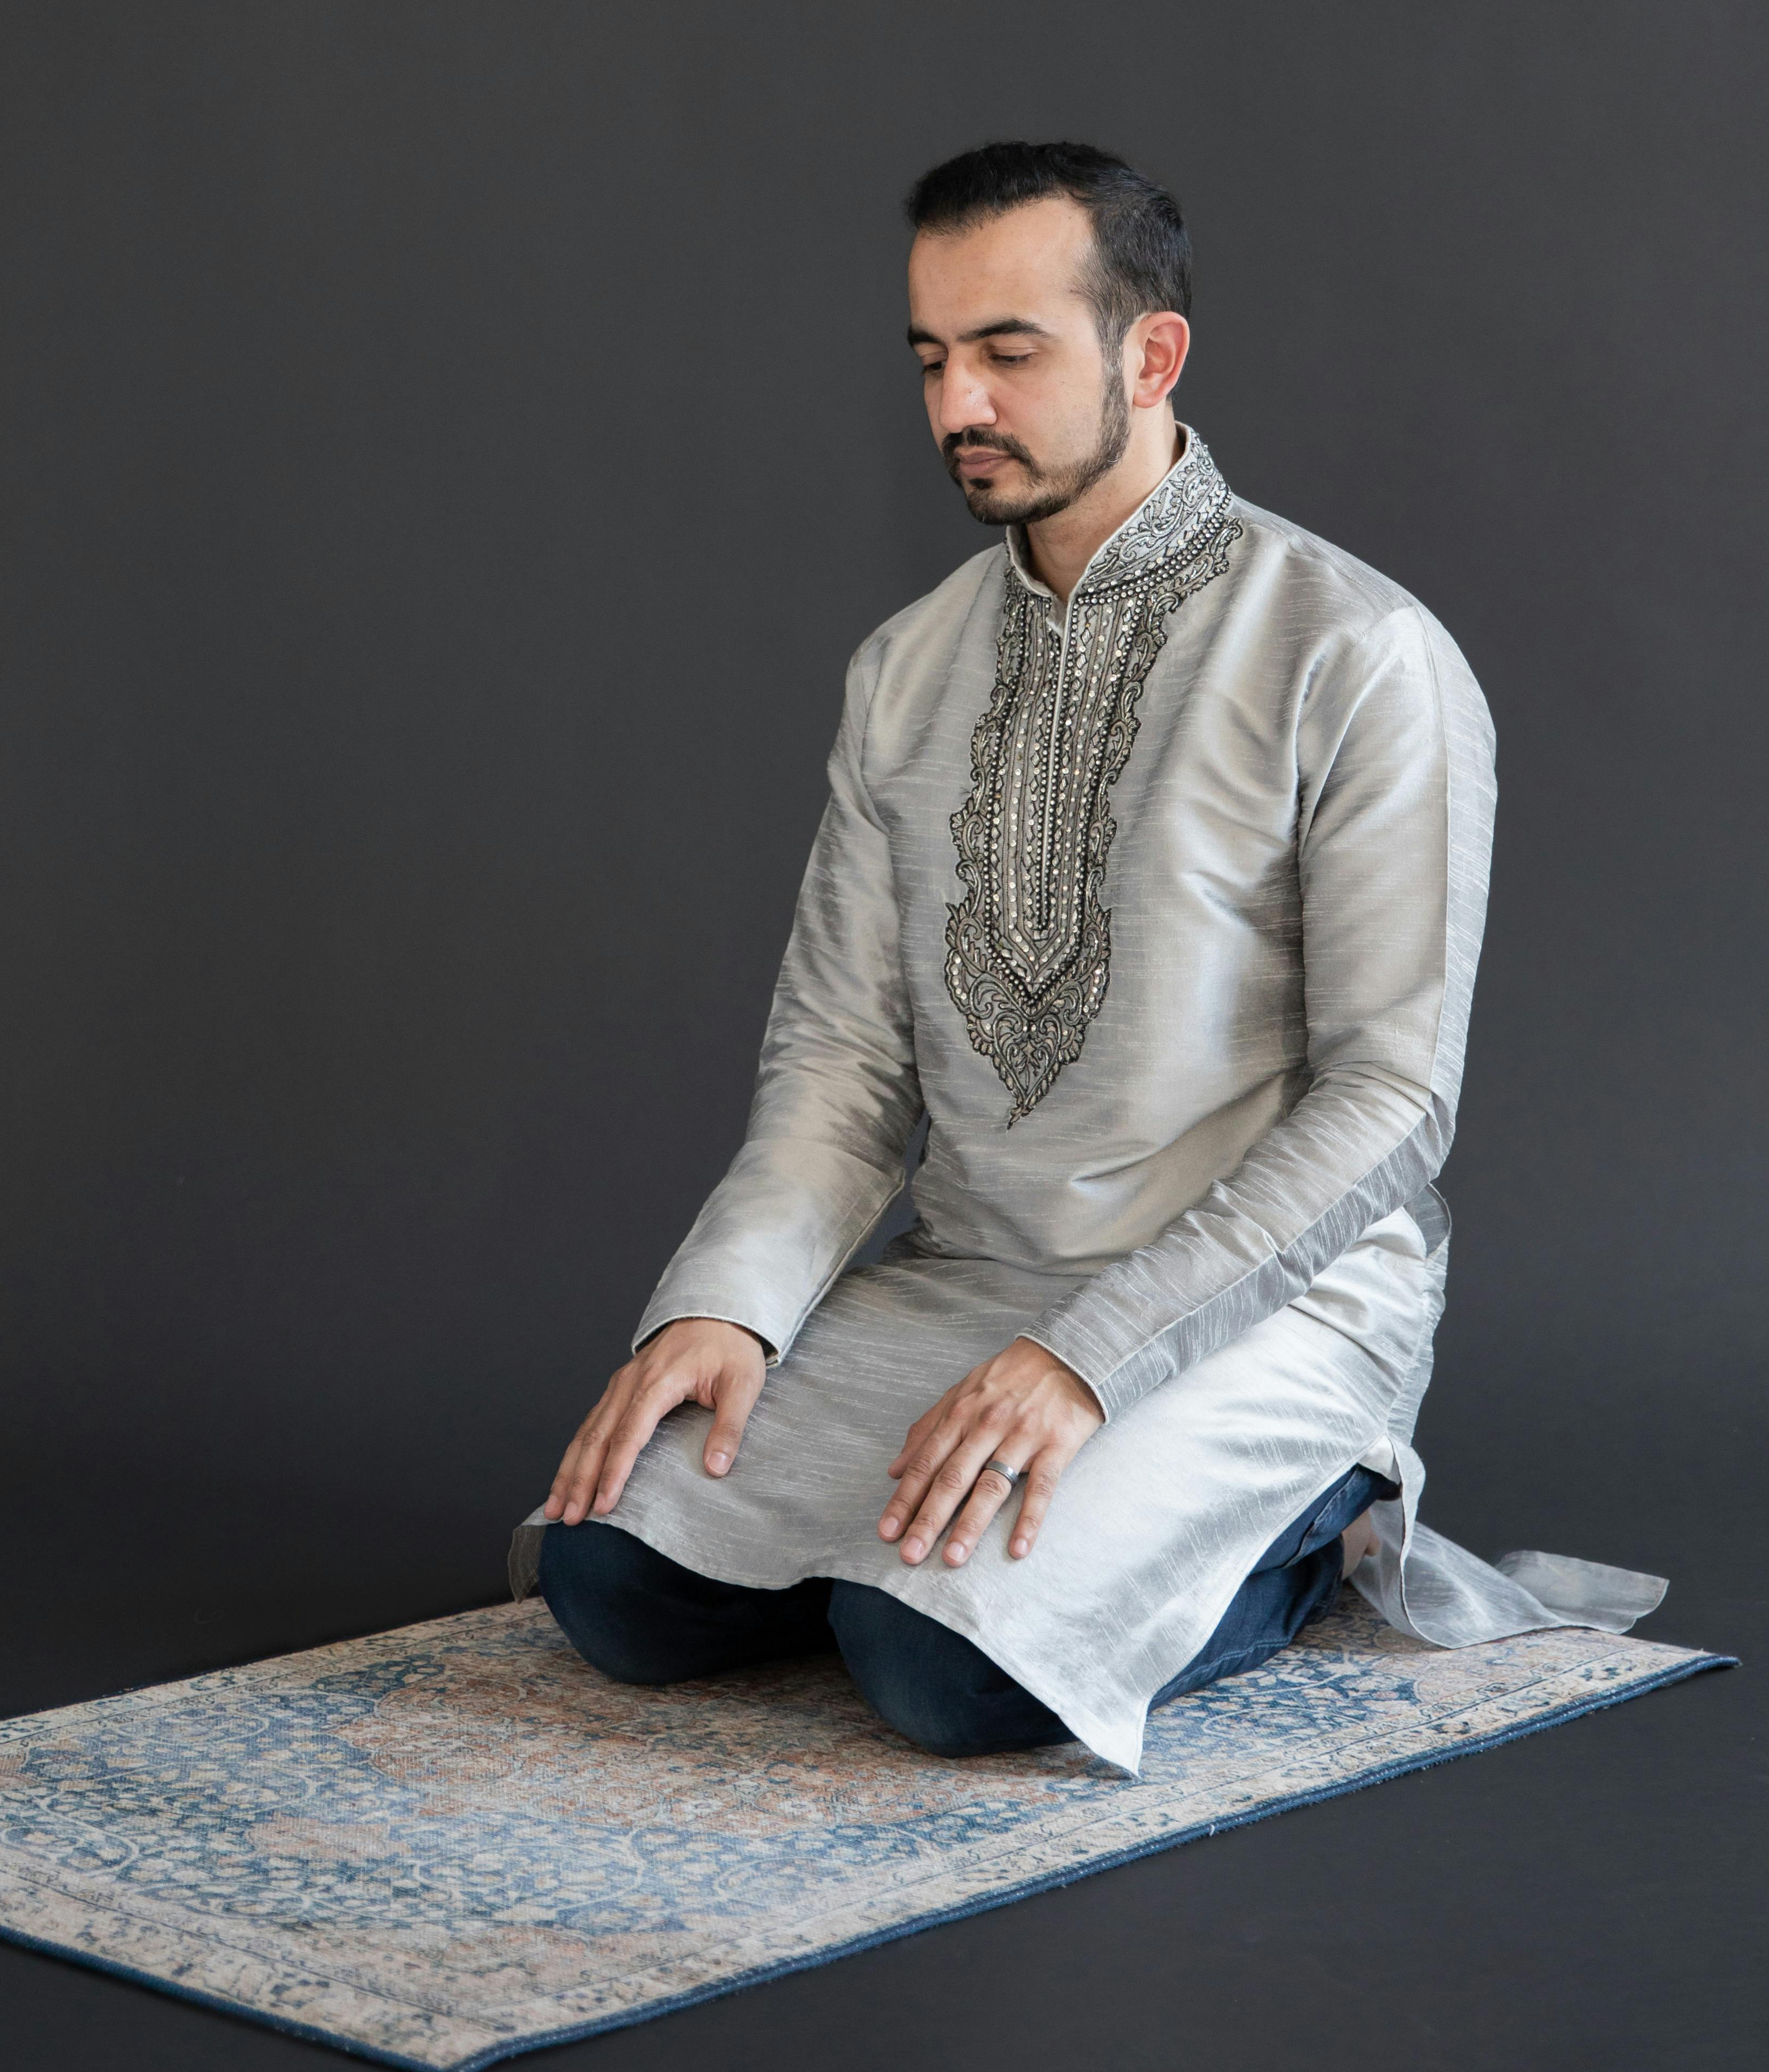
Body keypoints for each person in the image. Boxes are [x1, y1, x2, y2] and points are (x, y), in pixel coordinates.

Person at [512, 141, 1661, 1772]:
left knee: (941, 1679)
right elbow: (843, 1062)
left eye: (1007, 351)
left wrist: (1090, 1356)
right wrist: (735, 1309)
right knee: (610, 1582)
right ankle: (960, 1553)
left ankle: (1303, 1529)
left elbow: (1394, 1098)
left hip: (1265, 1310)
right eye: (930, 358)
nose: (955, 407)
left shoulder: (1354, 652)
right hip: (972, 1287)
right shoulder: (904, 671)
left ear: (1150, 353)